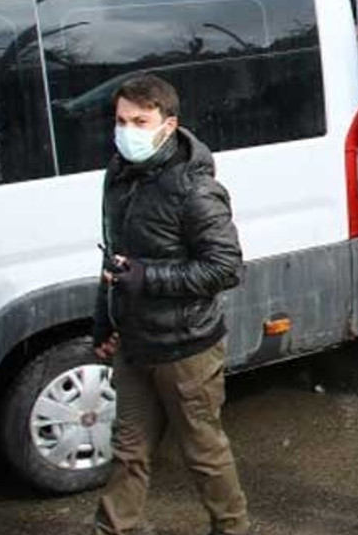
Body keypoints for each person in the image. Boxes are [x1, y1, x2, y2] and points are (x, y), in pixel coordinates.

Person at [92, 74, 250, 535]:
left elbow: (226, 267)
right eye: (121, 120)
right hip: (135, 342)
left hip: (187, 349)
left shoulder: (194, 189)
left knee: (203, 453)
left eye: (140, 121)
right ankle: (116, 528)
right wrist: (104, 323)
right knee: (128, 450)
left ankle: (232, 527)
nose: (127, 131)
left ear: (168, 124)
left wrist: (147, 277)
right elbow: (112, 257)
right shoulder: (119, 175)